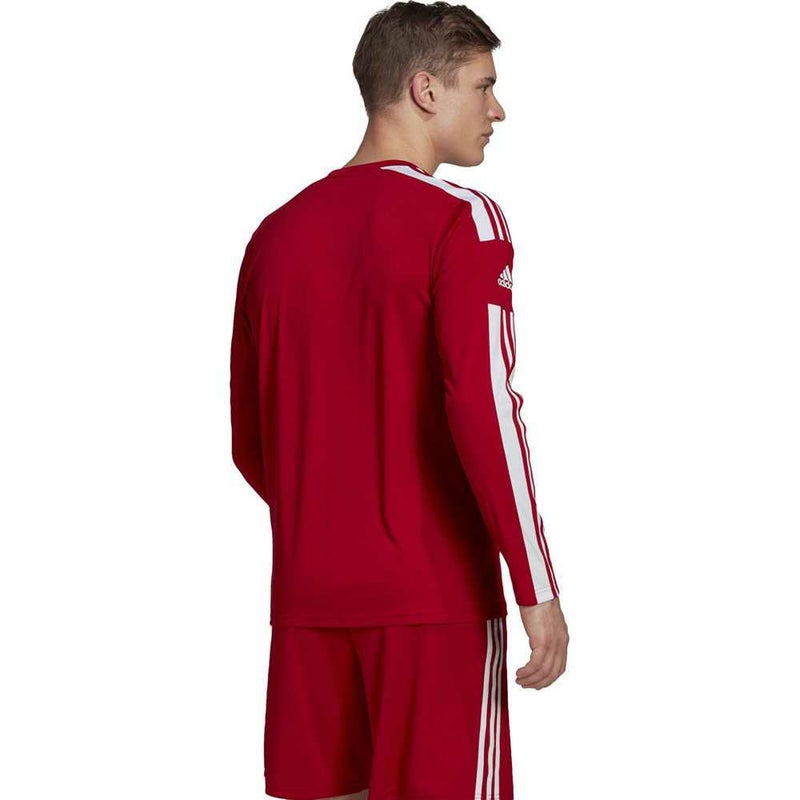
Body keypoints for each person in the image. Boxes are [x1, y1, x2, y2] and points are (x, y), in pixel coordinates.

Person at [229, 2, 570, 797]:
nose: (497, 109)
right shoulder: (461, 219)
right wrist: (536, 585)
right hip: (434, 598)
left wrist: (336, 524)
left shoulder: (274, 235)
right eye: (483, 86)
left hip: (307, 599)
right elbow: (485, 407)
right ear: (425, 90)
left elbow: (252, 438)